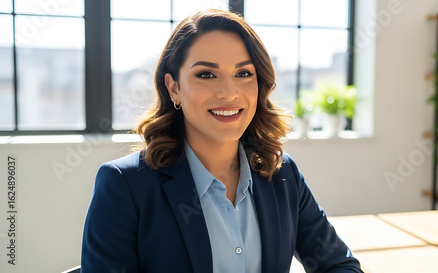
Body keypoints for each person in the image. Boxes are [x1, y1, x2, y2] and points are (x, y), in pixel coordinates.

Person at [81, 9, 362, 273]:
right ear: (174, 88)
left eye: (243, 73)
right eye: (206, 74)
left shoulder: (281, 174)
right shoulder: (125, 185)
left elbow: (340, 264)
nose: (229, 93)